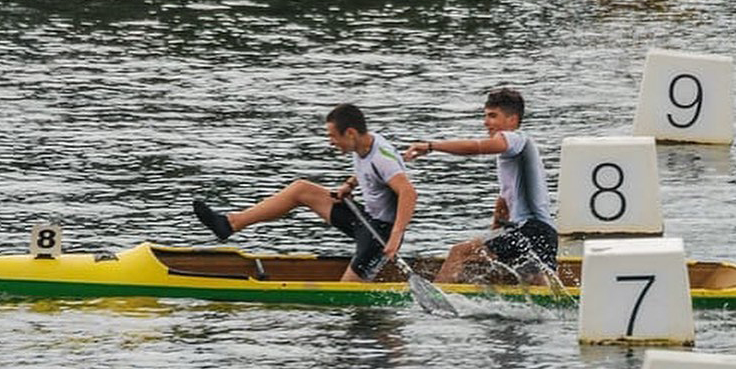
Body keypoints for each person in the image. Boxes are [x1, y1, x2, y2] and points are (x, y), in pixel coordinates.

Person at [193, 103, 417, 282]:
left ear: (350, 133)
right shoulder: (364, 143)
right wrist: (349, 185)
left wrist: (395, 236)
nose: (331, 142)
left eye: (333, 136)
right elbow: (369, 171)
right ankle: (230, 223)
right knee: (301, 189)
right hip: (364, 219)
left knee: (346, 295)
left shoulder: (381, 156)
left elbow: (408, 192)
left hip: (381, 236)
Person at [404, 88, 557, 284]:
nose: (486, 123)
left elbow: (477, 147)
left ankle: (440, 297)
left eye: (493, 116)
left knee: (459, 253)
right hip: (545, 234)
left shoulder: (514, 139)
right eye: (485, 116)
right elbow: (503, 202)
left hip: (530, 230)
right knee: (538, 285)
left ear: (512, 120)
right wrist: (491, 234)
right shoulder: (514, 158)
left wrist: (431, 146)